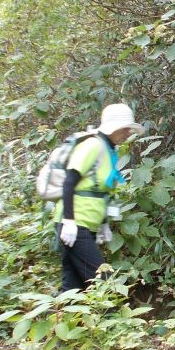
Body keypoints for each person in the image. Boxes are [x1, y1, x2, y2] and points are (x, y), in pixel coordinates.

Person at [54, 103, 144, 292]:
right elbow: (69, 182)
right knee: (104, 282)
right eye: (125, 127)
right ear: (112, 126)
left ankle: (61, 320)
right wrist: (68, 221)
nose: (128, 132)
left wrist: (103, 224)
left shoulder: (109, 150)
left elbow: (102, 192)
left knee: (72, 288)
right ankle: (115, 320)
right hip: (76, 224)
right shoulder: (92, 145)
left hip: (88, 224)